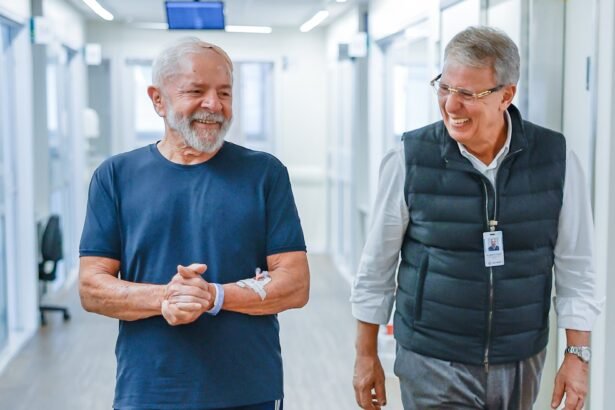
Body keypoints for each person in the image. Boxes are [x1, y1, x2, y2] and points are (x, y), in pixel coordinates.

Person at [351, 26, 602, 410]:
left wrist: (577, 356)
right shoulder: (409, 158)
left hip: (520, 359)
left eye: (468, 94)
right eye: (444, 88)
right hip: (432, 357)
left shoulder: (556, 159)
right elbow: (376, 268)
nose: (451, 105)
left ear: (507, 95)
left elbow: (577, 268)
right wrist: (365, 355)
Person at [78, 37, 309, 410]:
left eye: (224, 93)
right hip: (150, 388)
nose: (213, 105)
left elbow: (295, 283)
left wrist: (214, 296)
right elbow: (92, 287)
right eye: (196, 91)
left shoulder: (265, 174)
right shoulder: (115, 177)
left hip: (248, 389)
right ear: (157, 99)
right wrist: (166, 297)